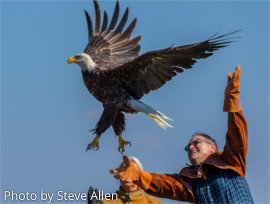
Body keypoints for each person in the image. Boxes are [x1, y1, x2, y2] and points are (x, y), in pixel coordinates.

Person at [110, 65, 254, 203]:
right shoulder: (190, 181)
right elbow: (164, 185)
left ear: (213, 147)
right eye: (188, 146)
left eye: (196, 142)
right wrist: (138, 176)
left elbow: (237, 134)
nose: (191, 147)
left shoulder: (230, 160)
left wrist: (232, 102)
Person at [88, 156, 162, 204]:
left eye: (131, 171)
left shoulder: (153, 202)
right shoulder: (104, 201)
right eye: (123, 171)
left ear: (140, 176)